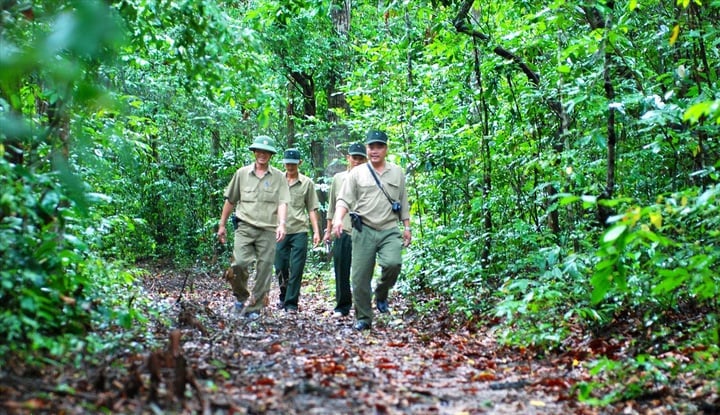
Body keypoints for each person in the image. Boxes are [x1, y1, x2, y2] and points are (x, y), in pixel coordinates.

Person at [332, 129, 411, 331]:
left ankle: (382, 292)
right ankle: (364, 318)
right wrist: (338, 219)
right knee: (359, 278)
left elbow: (403, 201)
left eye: (379, 146)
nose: (374, 151)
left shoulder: (397, 172)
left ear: (386, 148)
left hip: (389, 229)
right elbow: (344, 199)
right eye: (371, 147)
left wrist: (407, 227)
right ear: (367, 148)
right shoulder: (357, 173)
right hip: (364, 229)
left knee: (393, 263)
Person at [217, 135, 290, 320]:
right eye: (259, 151)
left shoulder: (279, 177)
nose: (262, 155)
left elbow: (283, 202)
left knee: (264, 269)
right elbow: (230, 200)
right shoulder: (241, 174)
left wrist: (282, 224)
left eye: (266, 152)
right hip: (245, 227)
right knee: (239, 264)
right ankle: (241, 298)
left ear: (271, 155)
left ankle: (255, 308)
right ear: (254, 152)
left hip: (268, 229)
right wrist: (222, 225)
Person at [323, 143, 367, 317]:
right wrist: (328, 231)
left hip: (363, 231)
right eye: (354, 157)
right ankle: (342, 306)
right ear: (348, 158)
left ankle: (362, 307)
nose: (357, 161)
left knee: (361, 271)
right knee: (341, 270)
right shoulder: (338, 178)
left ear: (366, 160)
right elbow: (332, 207)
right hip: (342, 230)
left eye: (360, 158)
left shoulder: (371, 179)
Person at [275, 148, 321, 312]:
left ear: (299, 163)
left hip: (300, 230)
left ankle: (291, 303)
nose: (290, 166)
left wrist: (316, 231)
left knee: (297, 267)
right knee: (280, 266)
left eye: (293, 163)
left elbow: (312, 208)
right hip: (279, 230)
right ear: (284, 163)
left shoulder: (307, 183)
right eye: (287, 163)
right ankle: (283, 295)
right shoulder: (276, 180)